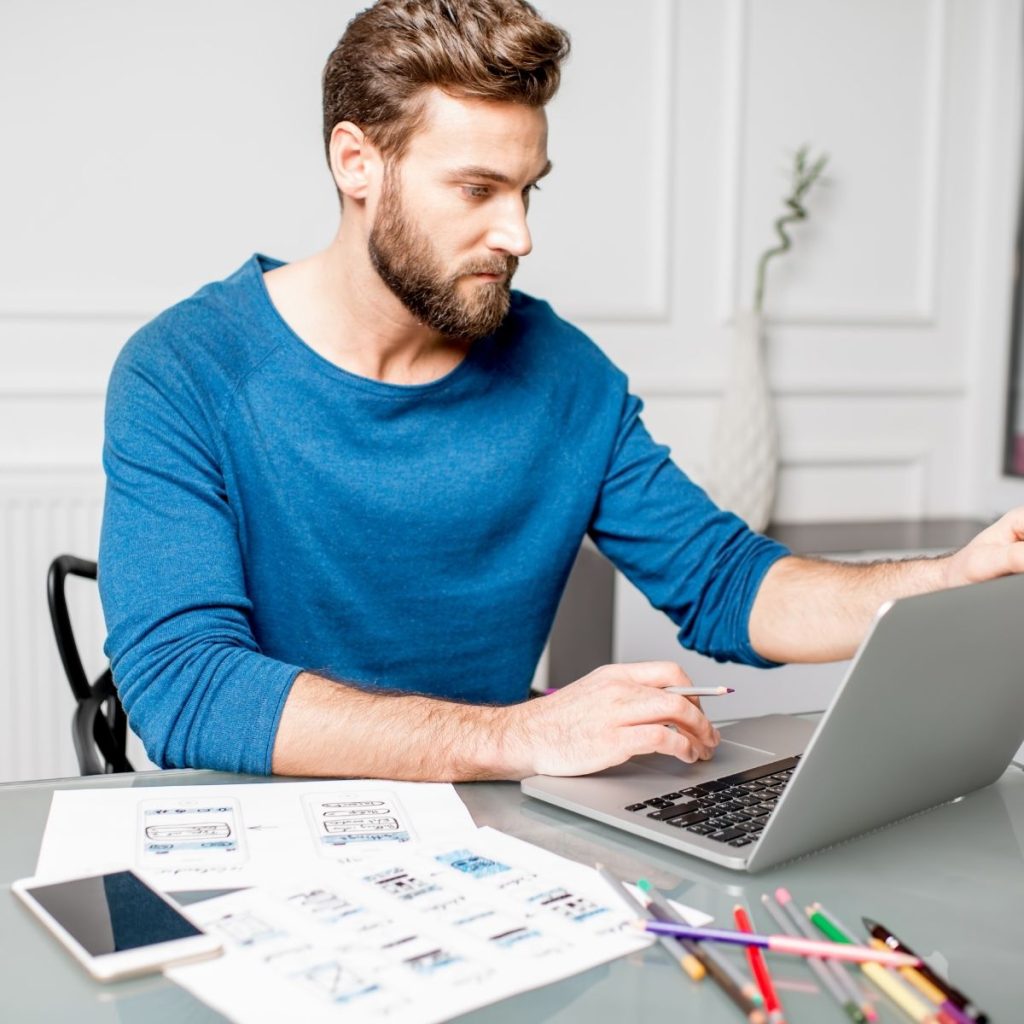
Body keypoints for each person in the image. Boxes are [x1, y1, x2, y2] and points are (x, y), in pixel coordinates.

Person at [99, 0, 1024, 782]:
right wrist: (518, 733)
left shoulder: (563, 374)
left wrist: (943, 581)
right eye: (477, 190)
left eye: (529, 190)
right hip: (272, 820)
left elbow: (725, 583)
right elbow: (186, 687)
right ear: (358, 164)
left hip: (492, 814)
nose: (519, 234)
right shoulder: (185, 370)